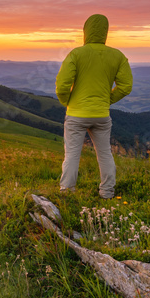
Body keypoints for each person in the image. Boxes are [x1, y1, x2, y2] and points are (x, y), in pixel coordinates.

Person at [55, 14, 133, 198]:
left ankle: (67, 192)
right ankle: (107, 192)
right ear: (105, 32)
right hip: (101, 115)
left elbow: (62, 85)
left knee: (72, 155)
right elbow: (126, 86)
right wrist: (107, 100)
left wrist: (67, 101)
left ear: (86, 31)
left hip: (76, 114)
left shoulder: (76, 54)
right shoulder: (118, 56)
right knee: (105, 154)